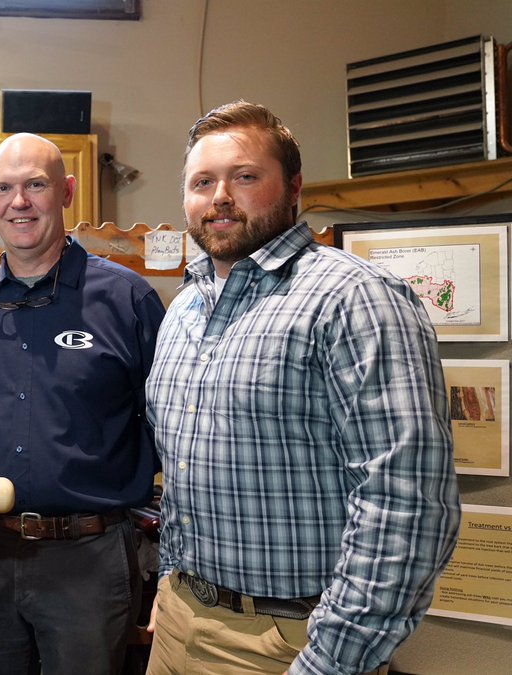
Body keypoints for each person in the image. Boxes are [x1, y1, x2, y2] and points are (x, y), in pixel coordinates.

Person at [144, 101, 461, 675]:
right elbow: (182, 472)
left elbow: (407, 501)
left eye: (244, 177)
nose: (220, 196)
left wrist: (332, 661)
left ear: (293, 187)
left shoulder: (355, 298)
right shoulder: (183, 309)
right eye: (202, 181)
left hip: (288, 643)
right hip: (177, 623)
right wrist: (171, 584)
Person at [0, 132, 166, 675]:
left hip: (88, 561)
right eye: (3, 188)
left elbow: (172, 433)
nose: (18, 202)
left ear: (67, 192)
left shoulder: (127, 299)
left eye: (35, 185)